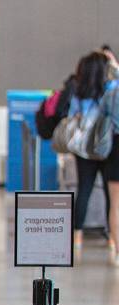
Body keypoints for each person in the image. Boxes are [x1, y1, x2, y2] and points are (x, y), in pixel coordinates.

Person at [67, 51, 118, 258]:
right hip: (107, 148)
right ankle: (112, 238)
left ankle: (77, 237)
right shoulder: (111, 90)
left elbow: (73, 116)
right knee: (111, 196)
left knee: (84, 190)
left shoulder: (79, 91)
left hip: (85, 150)